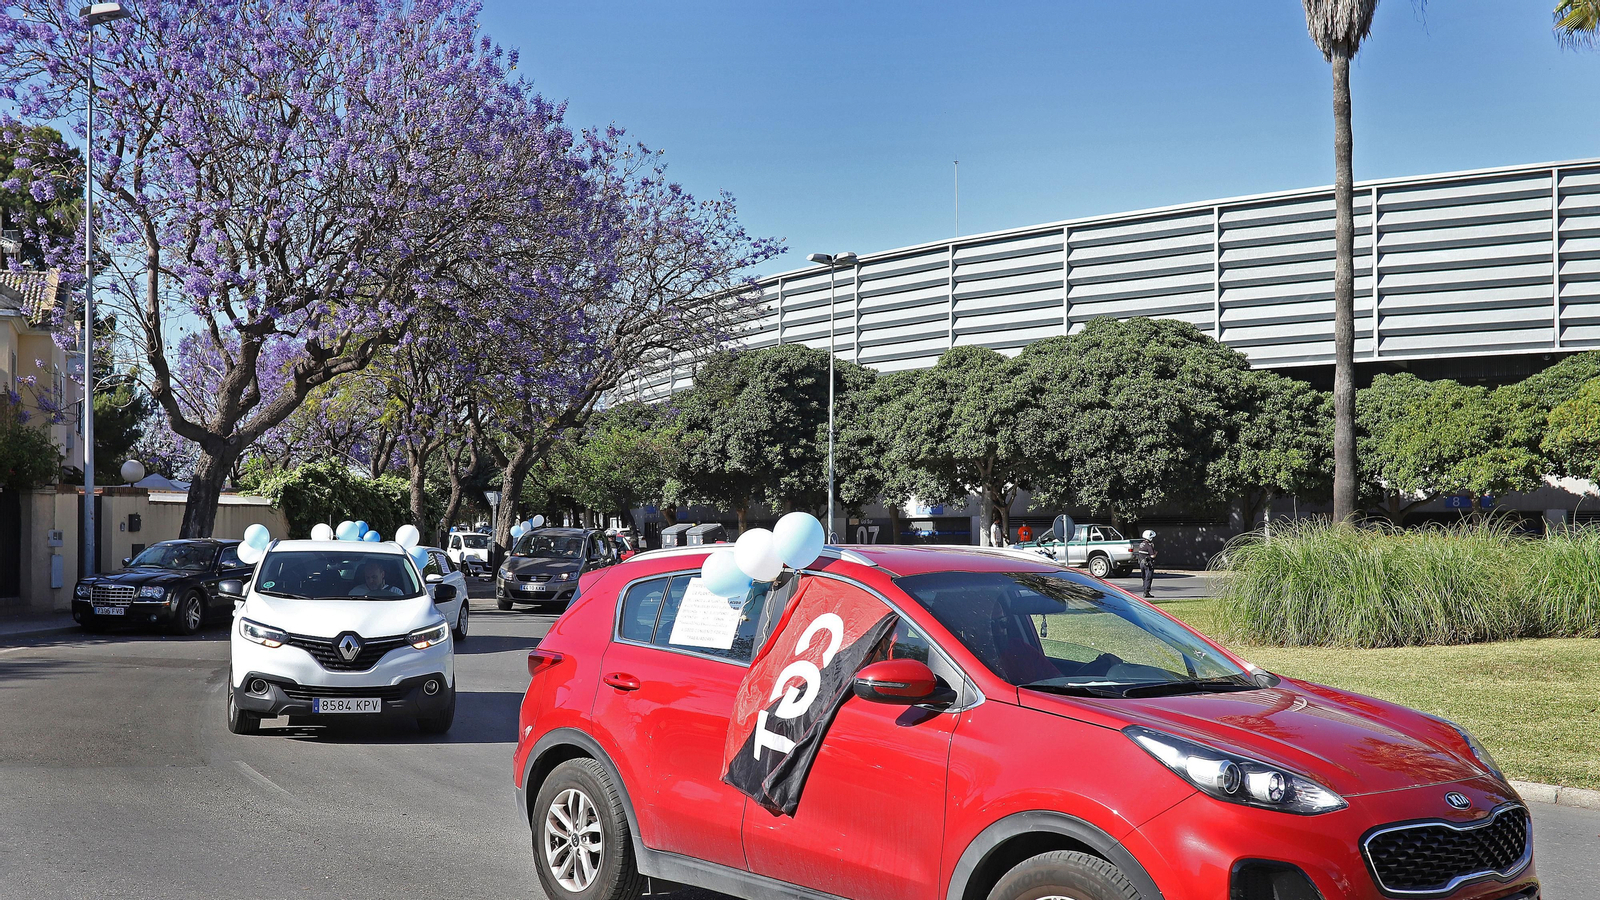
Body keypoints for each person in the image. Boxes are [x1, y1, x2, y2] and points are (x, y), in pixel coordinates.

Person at [1136, 530, 1157, 599]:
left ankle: (1145, 590)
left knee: (1144, 577)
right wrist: (1156, 553)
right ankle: (1146, 592)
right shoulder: (1149, 545)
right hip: (1148, 564)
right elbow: (1152, 556)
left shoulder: (1141, 544)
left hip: (1141, 563)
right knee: (1148, 577)